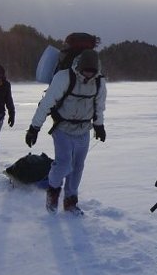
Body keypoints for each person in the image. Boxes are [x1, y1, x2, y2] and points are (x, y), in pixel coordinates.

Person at [25, 49, 107, 216]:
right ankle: (53, 191)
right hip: (62, 128)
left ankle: (70, 201)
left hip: (84, 130)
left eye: (92, 72)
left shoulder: (99, 82)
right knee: (63, 165)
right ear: (80, 67)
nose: (88, 76)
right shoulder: (64, 77)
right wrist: (34, 128)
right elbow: (46, 103)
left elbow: (99, 106)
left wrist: (99, 126)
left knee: (77, 167)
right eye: (86, 71)